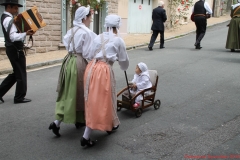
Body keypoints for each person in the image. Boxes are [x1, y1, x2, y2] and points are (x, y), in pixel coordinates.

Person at [81, 14, 129, 147]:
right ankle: (86, 136)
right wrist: (121, 65)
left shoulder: (98, 37)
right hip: (103, 71)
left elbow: (89, 54)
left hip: (91, 68)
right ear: (117, 26)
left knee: (94, 99)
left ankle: (110, 123)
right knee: (102, 101)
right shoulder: (118, 40)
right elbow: (124, 61)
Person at [48, 6, 97, 137]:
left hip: (68, 61)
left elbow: (67, 45)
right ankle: (61, 121)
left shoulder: (72, 30)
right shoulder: (86, 33)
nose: (91, 19)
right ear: (84, 18)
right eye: (90, 16)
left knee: (69, 92)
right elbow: (87, 53)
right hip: (78, 63)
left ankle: (74, 120)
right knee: (79, 92)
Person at [0, 0, 35, 104]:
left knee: (16, 73)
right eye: (15, 8)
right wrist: (25, 34)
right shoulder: (9, 19)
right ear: (9, 7)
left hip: (13, 49)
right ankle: (19, 97)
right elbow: (13, 36)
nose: (17, 10)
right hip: (15, 50)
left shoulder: (6, 17)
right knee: (21, 73)